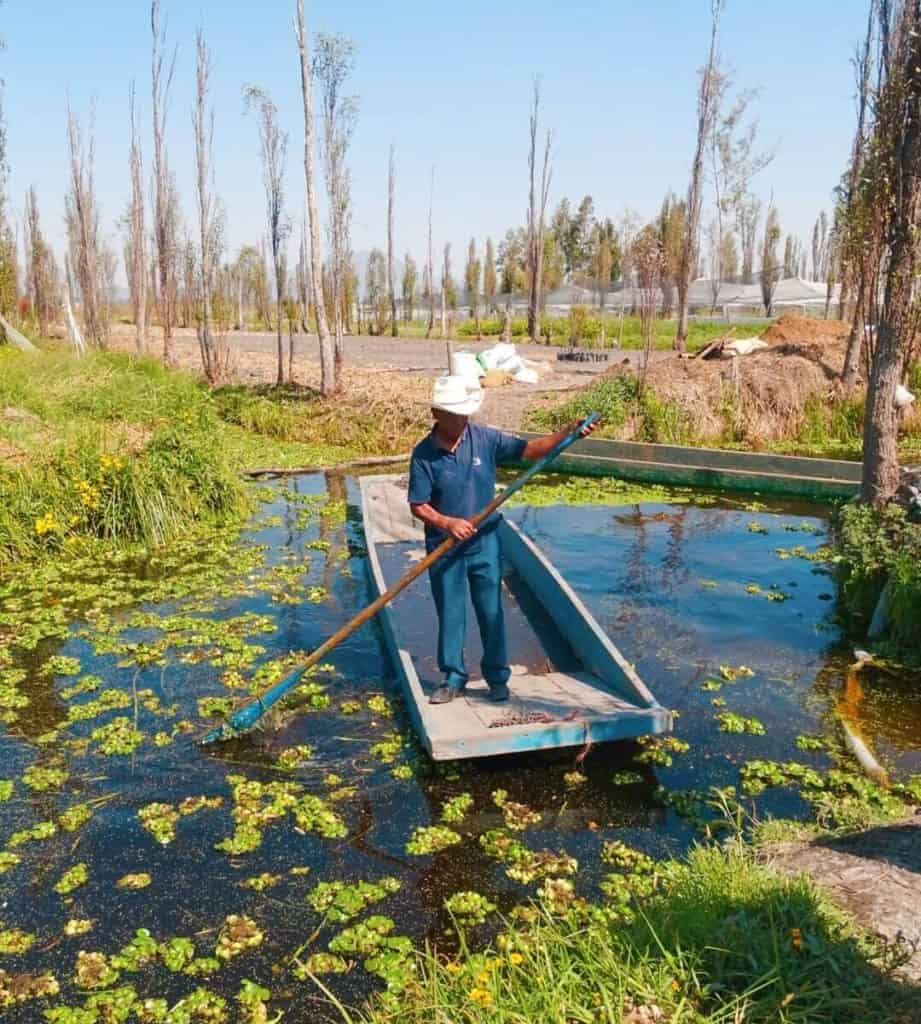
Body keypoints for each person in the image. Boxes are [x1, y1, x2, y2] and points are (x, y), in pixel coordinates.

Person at [407, 374, 597, 705]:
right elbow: (418, 505)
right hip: (445, 547)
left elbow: (529, 450)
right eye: (454, 414)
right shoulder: (423, 455)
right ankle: (453, 678)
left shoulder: (484, 439)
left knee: (491, 609)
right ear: (437, 414)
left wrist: (568, 432)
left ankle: (496, 677)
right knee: (451, 613)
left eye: (464, 412)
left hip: (485, 541)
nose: (461, 419)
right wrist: (447, 522)